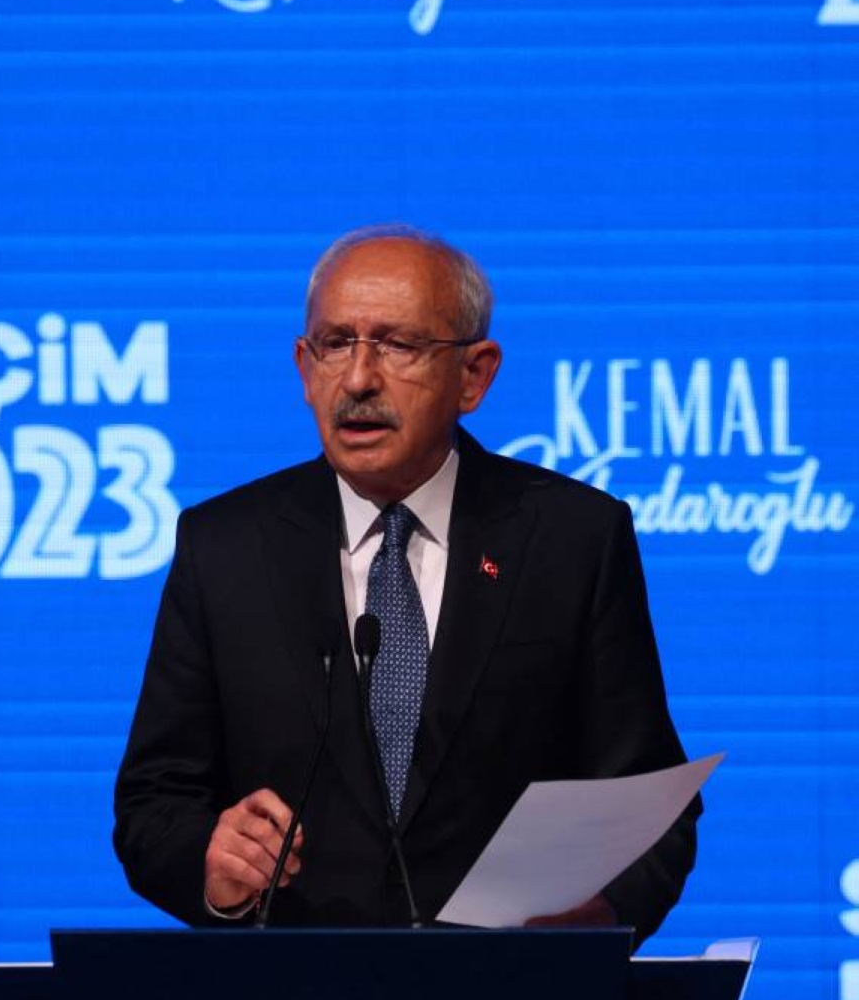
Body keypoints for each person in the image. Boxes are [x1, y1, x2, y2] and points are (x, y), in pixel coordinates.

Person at [113, 225, 699, 944]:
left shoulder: (573, 539)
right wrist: (212, 861)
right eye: (334, 344)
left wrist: (595, 918)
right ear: (303, 367)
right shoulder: (225, 547)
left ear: (475, 375)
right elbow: (152, 804)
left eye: (397, 345)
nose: (357, 379)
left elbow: (647, 803)